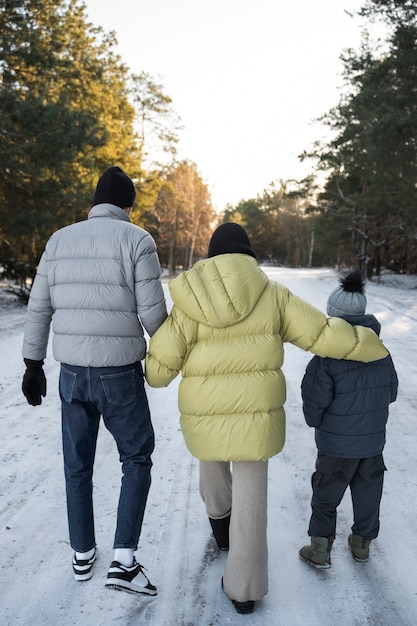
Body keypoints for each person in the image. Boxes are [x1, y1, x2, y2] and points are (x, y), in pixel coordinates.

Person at [144, 223, 389, 614]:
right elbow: (322, 334)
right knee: (251, 495)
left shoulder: (189, 302)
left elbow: (157, 374)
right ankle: (245, 589)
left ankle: (220, 525)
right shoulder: (272, 294)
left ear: (212, 256)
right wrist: (369, 345)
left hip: (205, 413)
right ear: (248, 255)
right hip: (256, 418)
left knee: (211, 464)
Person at [21, 166, 167, 595]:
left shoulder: (58, 240)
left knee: (76, 465)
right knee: (137, 458)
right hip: (118, 375)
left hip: (70, 375)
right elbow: (154, 317)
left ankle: (82, 554)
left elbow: (39, 306)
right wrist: (179, 347)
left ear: (94, 203)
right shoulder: (137, 240)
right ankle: (124, 561)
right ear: (127, 206)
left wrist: (32, 362)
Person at [299, 269, 398, 568]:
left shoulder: (326, 358)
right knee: (369, 492)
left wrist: (317, 420)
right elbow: (391, 392)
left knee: (326, 493)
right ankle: (361, 545)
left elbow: (313, 404)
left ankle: (319, 548)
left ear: (332, 317)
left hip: (335, 446)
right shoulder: (381, 352)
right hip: (371, 443)